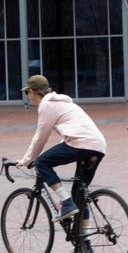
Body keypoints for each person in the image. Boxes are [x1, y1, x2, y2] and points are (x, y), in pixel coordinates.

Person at [17, 75, 107, 230]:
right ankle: (84, 244)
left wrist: (27, 159)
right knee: (80, 194)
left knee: (42, 163)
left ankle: (66, 202)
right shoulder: (63, 102)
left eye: (27, 93)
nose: (27, 96)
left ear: (32, 91)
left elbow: (41, 136)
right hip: (97, 146)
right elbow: (69, 134)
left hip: (80, 143)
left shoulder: (46, 105)